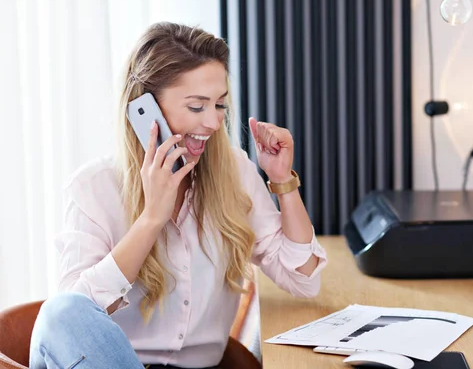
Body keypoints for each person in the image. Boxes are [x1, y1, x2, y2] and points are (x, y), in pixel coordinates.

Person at [29, 22, 328, 369]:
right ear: (144, 107)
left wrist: (282, 182)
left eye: (220, 105)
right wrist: (151, 219)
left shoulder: (234, 172)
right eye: (197, 107)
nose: (215, 123)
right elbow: (74, 317)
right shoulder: (94, 187)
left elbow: (304, 280)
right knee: (60, 311)